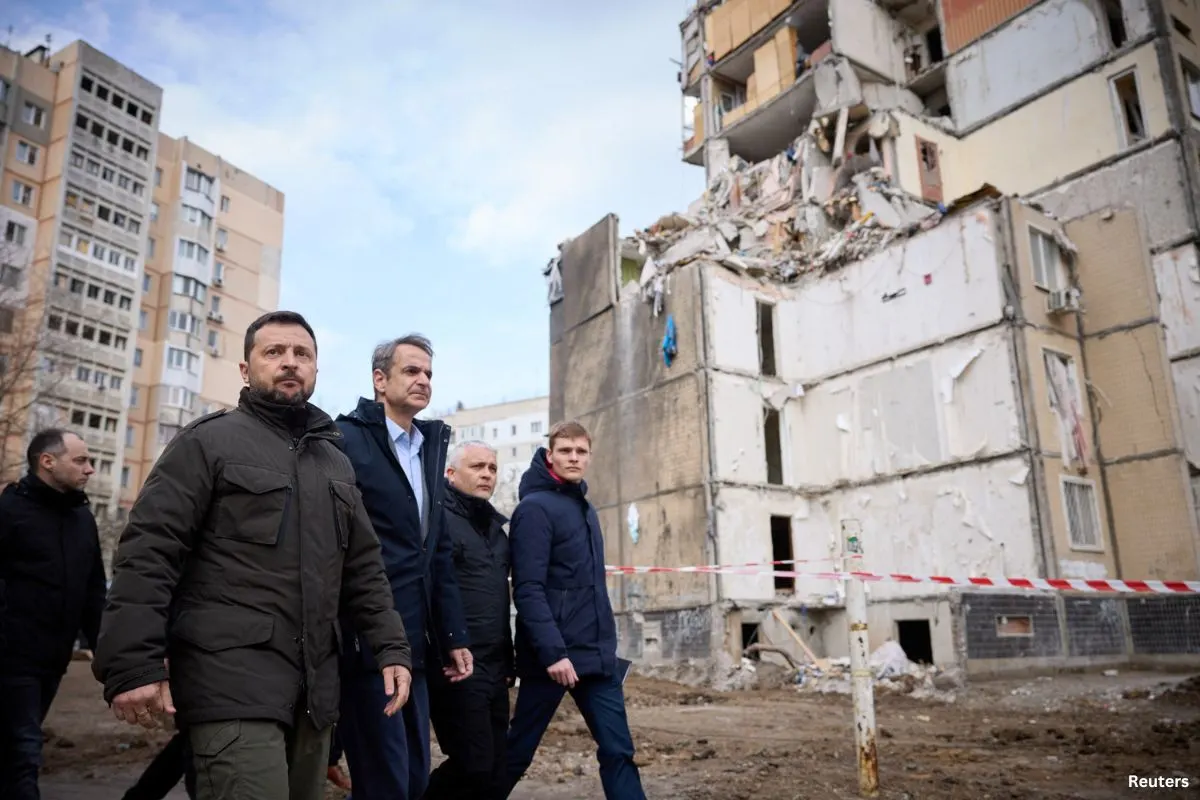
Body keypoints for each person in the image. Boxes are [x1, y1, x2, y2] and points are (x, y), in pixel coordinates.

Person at [93, 310, 413, 800]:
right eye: (274, 352)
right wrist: (132, 662)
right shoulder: (208, 442)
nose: (290, 362)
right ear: (245, 369)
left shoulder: (335, 463)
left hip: (314, 694)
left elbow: (364, 569)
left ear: (316, 369)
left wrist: (391, 647)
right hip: (230, 684)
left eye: (302, 353)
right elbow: (149, 552)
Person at [335, 334, 473, 800]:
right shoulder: (345, 440)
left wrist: (452, 635)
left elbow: (436, 554)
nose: (423, 380)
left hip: (417, 645)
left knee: (414, 780)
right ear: (380, 380)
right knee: (385, 784)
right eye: (412, 371)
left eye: (429, 373)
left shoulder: (427, 448)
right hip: (367, 644)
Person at [502, 421, 645, 800]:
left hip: (595, 658)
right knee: (516, 753)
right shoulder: (534, 509)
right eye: (565, 450)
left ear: (589, 457)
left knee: (618, 751)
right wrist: (553, 653)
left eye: (581, 451)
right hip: (551, 660)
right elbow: (528, 589)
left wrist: (606, 647)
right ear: (550, 455)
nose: (573, 458)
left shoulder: (585, 508)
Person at [0, 429, 105, 799]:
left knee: (14, 749)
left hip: (54, 658)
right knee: (24, 750)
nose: (90, 469)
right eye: (80, 460)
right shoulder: (9, 511)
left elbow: (94, 593)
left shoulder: (82, 520)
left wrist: (108, 655)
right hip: (12, 658)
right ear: (47, 461)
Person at [426, 441, 512, 799]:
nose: (486, 474)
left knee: (496, 765)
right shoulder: (438, 520)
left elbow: (499, 599)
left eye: (492, 468)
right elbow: (432, 590)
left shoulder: (495, 529)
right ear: (451, 473)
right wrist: (448, 644)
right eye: (477, 467)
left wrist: (508, 660)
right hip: (457, 664)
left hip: (495, 665)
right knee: (472, 763)